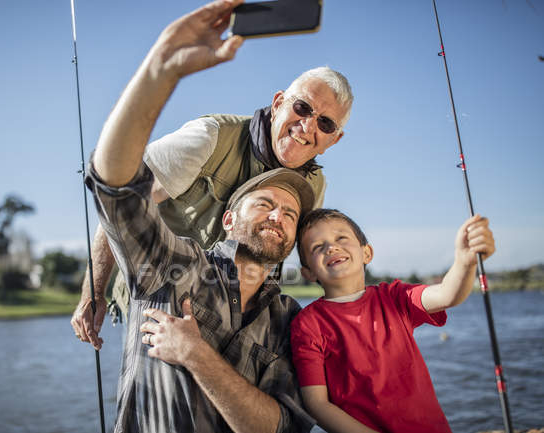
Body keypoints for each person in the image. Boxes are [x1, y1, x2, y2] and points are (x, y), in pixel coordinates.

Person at [81, 1, 317, 431]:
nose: (279, 215)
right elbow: (117, 188)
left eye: (290, 213)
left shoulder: (290, 320)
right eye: (264, 202)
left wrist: (196, 354)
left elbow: (281, 426)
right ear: (228, 219)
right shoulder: (173, 268)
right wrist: (161, 69)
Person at [70, 1, 354, 344]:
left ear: (334, 140)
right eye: (302, 107)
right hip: (157, 295)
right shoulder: (210, 136)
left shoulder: (315, 185)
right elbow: (122, 202)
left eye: (324, 123)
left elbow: (296, 258)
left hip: (231, 313)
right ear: (279, 102)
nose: (307, 125)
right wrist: (94, 290)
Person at [290, 208, 496, 433]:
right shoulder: (307, 323)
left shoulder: (394, 297)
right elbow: (316, 404)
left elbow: (448, 294)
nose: (331, 247)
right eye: (317, 247)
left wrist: (465, 261)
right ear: (308, 273)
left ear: (366, 253)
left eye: (341, 238)